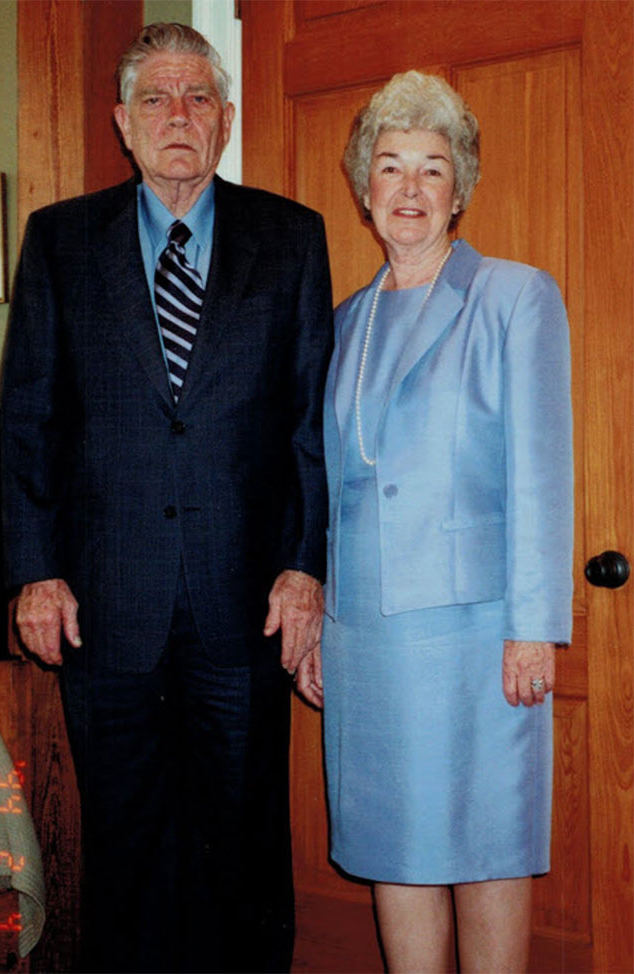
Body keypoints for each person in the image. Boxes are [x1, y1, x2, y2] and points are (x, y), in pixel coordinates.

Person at [1, 23, 332, 974]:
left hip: (249, 611)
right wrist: (34, 572)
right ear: (122, 122)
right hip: (105, 611)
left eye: (197, 99)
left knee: (245, 855)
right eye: (156, 98)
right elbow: (30, 421)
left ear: (225, 120)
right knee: (127, 853)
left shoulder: (291, 236)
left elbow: (312, 424)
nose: (177, 116)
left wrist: (306, 566)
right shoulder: (60, 241)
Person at [296, 71, 573, 972]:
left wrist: (534, 629)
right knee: (393, 848)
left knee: (488, 843)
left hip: (478, 630)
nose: (409, 190)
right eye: (389, 167)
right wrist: (321, 622)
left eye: (431, 168)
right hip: (368, 635)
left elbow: (540, 469)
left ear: (460, 189)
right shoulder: (343, 321)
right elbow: (332, 489)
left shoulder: (514, 297)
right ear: (362, 188)